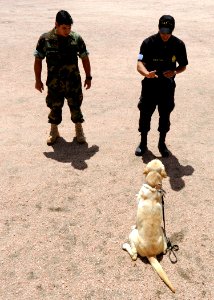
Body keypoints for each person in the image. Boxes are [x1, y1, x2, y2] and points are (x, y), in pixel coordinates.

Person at [34, 10, 92, 145]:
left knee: (76, 106)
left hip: (73, 82)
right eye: (64, 28)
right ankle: (54, 130)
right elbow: (38, 60)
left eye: (69, 28)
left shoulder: (76, 38)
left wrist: (88, 77)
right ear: (56, 24)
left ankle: (79, 129)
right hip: (54, 83)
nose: (67, 31)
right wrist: (38, 80)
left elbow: (85, 58)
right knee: (54, 107)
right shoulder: (46, 39)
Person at [135, 15, 188, 157]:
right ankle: (143, 143)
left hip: (167, 87)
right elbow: (139, 63)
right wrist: (146, 74)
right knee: (145, 114)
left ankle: (162, 143)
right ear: (158, 28)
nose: (165, 35)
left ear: (172, 30)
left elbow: (183, 66)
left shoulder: (178, 44)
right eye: (162, 32)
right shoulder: (148, 43)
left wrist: (175, 71)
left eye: (168, 32)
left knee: (165, 115)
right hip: (149, 85)